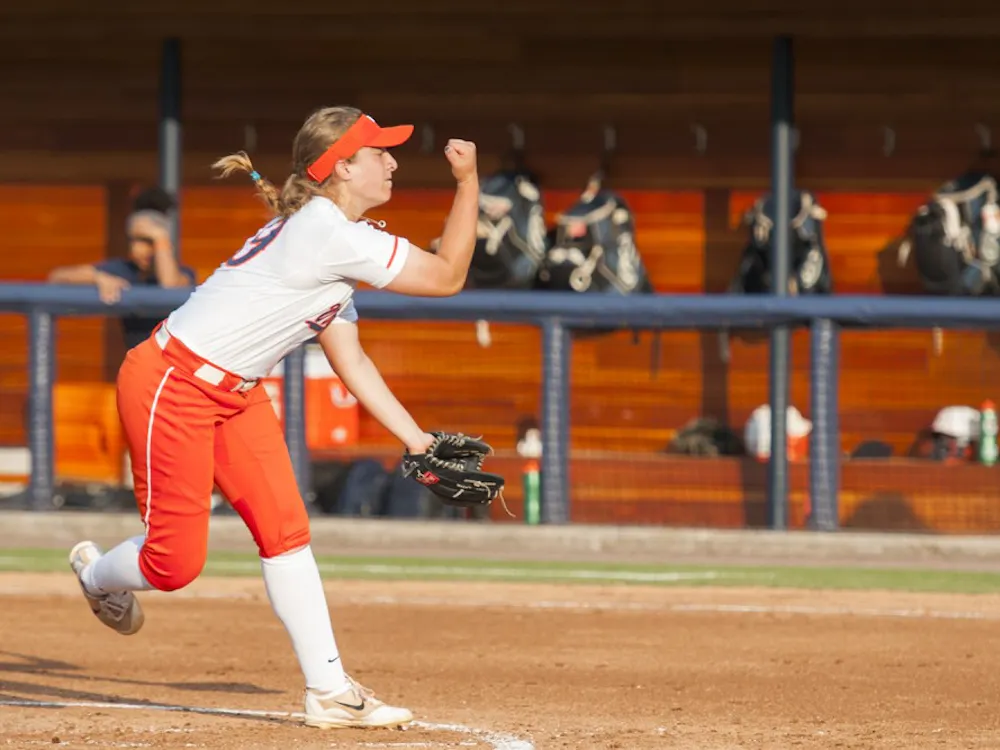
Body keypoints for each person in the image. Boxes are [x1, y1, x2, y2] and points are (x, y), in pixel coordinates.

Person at [66, 106, 479, 730]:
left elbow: (353, 360)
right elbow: (448, 276)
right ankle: (98, 576)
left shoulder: (332, 239)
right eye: (378, 152)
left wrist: (416, 439)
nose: (392, 161)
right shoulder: (329, 234)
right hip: (170, 382)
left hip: (234, 394)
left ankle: (330, 692)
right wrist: (469, 182)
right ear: (341, 167)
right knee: (173, 566)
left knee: (287, 531)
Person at [48, 203, 196, 351]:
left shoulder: (183, 273)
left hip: (175, 365)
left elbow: (169, 285)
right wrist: (98, 277)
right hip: (138, 362)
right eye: (136, 240)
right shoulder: (124, 269)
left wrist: (159, 236)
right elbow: (57, 277)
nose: (142, 249)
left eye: (150, 241)